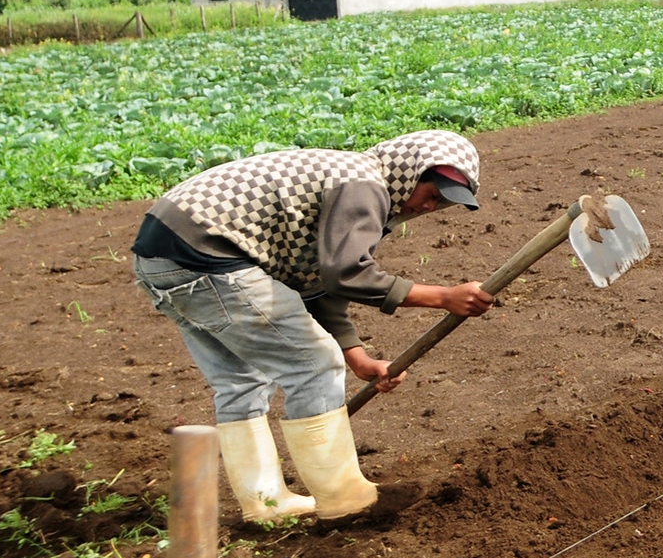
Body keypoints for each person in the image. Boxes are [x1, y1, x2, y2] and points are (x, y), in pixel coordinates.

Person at [131, 129, 494, 522]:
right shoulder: (364, 184)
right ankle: (345, 502)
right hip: (207, 253)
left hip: (166, 257)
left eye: (442, 204)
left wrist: (356, 358)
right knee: (315, 364)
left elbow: (316, 283)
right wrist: (443, 296)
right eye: (433, 193)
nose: (429, 207)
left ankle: (265, 505)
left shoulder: (354, 181)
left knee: (241, 380)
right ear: (410, 171)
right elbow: (346, 273)